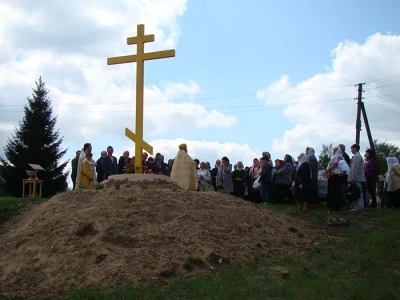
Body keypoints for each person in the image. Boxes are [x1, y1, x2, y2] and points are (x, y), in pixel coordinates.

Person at [348, 144, 366, 211]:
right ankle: (360, 206)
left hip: (357, 177)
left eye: (352, 148)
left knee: (357, 191)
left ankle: (358, 206)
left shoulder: (356, 156)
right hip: (358, 177)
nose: (351, 150)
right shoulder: (357, 156)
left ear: (355, 148)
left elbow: (355, 168)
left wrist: (353, 178)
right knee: (358, 191)